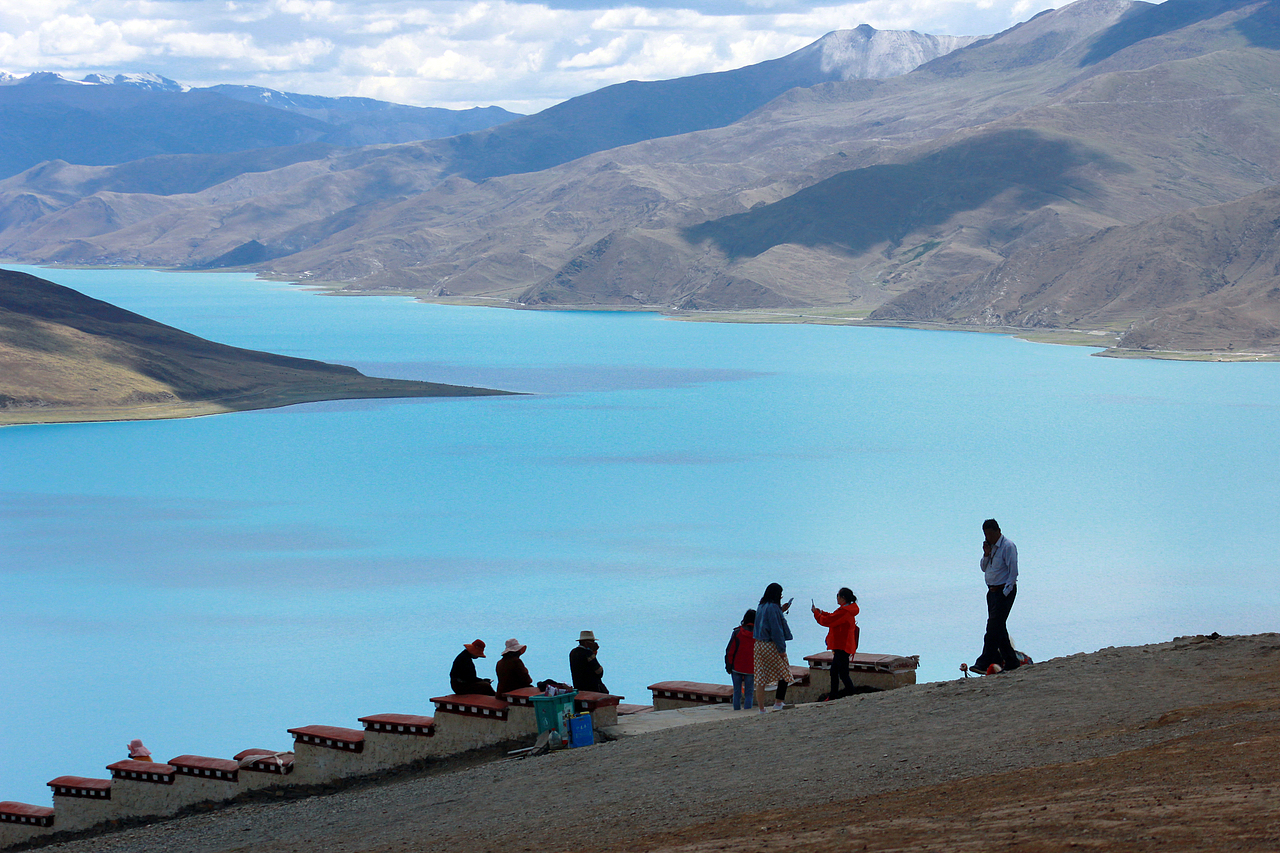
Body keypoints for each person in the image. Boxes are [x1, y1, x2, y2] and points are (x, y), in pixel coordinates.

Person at [975, 518, 1020, 672]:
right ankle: (1012, 661)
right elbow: (983, 567)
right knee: (999, 627)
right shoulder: (991, 548)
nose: (988, 537)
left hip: (1004, 591)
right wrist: (986, 553)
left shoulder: (1008, 546)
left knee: (993, 628)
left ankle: (984, 661)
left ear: (997, 531)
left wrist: (1005, 592)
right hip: (992, 591)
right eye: (985, 534)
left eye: (989, 534)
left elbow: (1013, 572)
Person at [753, 582, 794, 712]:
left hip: (759, 645)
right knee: (785, 674)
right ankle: (778, 703)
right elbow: (776, 630)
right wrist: (782, 650)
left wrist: (781, 610)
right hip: (770, 645)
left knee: (761, 677)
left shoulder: (761, 606)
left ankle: (761, 709)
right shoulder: (773, 608)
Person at [812, 587, 859, 699]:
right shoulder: (846, 610)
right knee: (838, 672)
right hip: (843, 645)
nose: (836, 598)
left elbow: (828, 621)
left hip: (842, 646)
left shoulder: (844, 612)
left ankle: (845, 694)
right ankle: (838, 694)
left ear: (843, 598)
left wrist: (816, 614)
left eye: (837, 596)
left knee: (840, 673)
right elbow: (833, 617)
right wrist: (821, 612)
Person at [724, 609, 756, 710]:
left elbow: (730, 651)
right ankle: (747, 711)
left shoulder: (737, 633)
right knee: (749, 692)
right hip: (751, 668)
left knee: (737, 691)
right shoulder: (759, 634)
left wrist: (728, 666)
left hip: (737, 667)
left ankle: (736, 710)